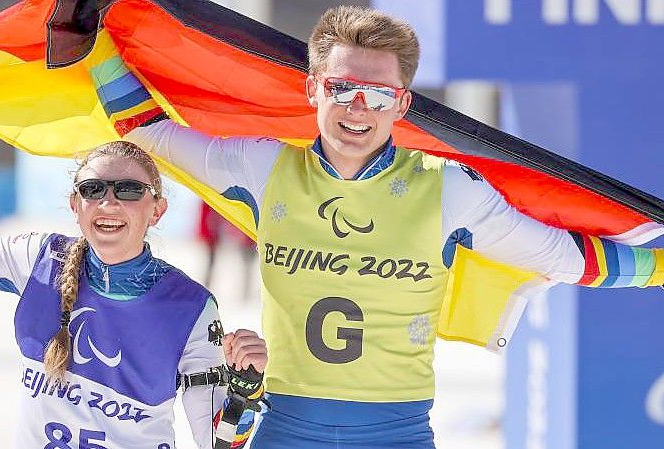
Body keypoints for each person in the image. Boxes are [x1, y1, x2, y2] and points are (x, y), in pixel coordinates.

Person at [118, 5, 664, 448]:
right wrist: (89, 38)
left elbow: (565, 258)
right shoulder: (263, 168)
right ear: (313, 88)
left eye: (378, 94)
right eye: (341, 88)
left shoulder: (449, 189)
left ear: (401, 103)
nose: (359, 108)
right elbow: (147, 130)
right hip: (284, 428)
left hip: (395, 434)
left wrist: (659, 268)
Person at [0, 74, 268, 449]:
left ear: (157, 209)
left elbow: (217, 442)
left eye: (129, 190)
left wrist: (246, 389)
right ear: (75, 205)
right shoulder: (40, 260)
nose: (109, 202)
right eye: (93, 189)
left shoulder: (191, 307)